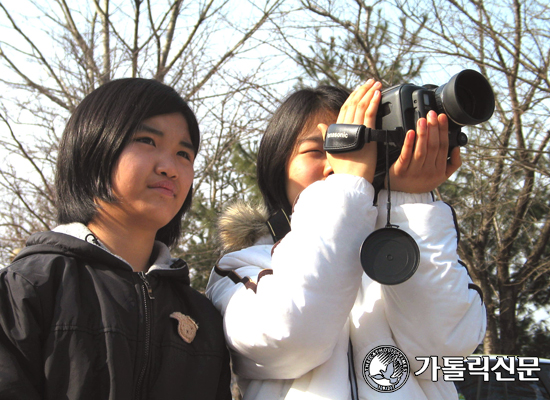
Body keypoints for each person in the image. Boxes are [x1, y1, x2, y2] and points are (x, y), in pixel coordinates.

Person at [206, 80, 486, 399]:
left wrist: (411, 203)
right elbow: (291, 336)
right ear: (277, 170)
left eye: (354, 146)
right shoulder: (243, 267)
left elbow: (445, 350)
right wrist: (347, 184)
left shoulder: (412, 248)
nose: (335, 164)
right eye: (317, 150)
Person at [0, 78, 231, 399]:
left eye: (183, 153)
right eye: (148, 141)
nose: (171, 168)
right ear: (93, 148)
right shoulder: (25, 290)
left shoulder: (202, 317)